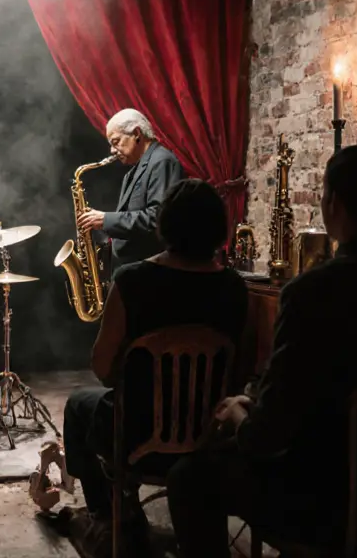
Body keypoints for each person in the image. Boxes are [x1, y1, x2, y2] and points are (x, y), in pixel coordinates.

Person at [166, 146, 357, 556]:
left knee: (190, 477)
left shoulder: (311, 292)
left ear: (332, 203)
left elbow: (269, 433)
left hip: (323, 504)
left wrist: (240, 416)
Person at [62, 179, 249, 556]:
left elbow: (101, 366)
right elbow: (241, 369)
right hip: (208, 438)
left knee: (79, 404)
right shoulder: (234, 286)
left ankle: (109, 517)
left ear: (166, 224)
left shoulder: (132, 280)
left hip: (136, 436)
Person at [77, 109, 185, 275]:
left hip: (152, 274)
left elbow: (158, 218)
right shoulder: (134, 171)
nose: (112, 150)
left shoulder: (162, 161)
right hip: (135, 271)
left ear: (136, 133)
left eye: (116, 141)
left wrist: (106, 220)